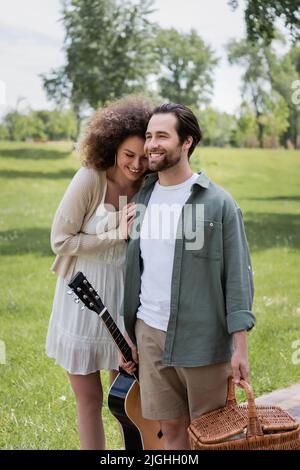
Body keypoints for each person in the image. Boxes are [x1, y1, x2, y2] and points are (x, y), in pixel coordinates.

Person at [120, 103, 256, 450]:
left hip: (203, 340)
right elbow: (139, 270)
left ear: (187, 143)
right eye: (149, 136)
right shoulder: (142, 199)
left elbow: (237, 277)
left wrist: (240, 347)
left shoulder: (218, 203)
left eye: (162, 136)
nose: (152, 144)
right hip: (150, 335)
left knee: (211, 435)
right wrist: (130, 333)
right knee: (170, 429)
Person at [46, 96, 152, 450]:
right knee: (89, 400)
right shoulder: (90, 179)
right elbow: (60, 240)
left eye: (143, 156)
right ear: (112, 148)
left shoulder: (149, 187)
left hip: (124, 299)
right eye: (128, 155)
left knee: (127, 401)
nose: (136, 165)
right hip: (83, 297)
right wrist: (113, 234)